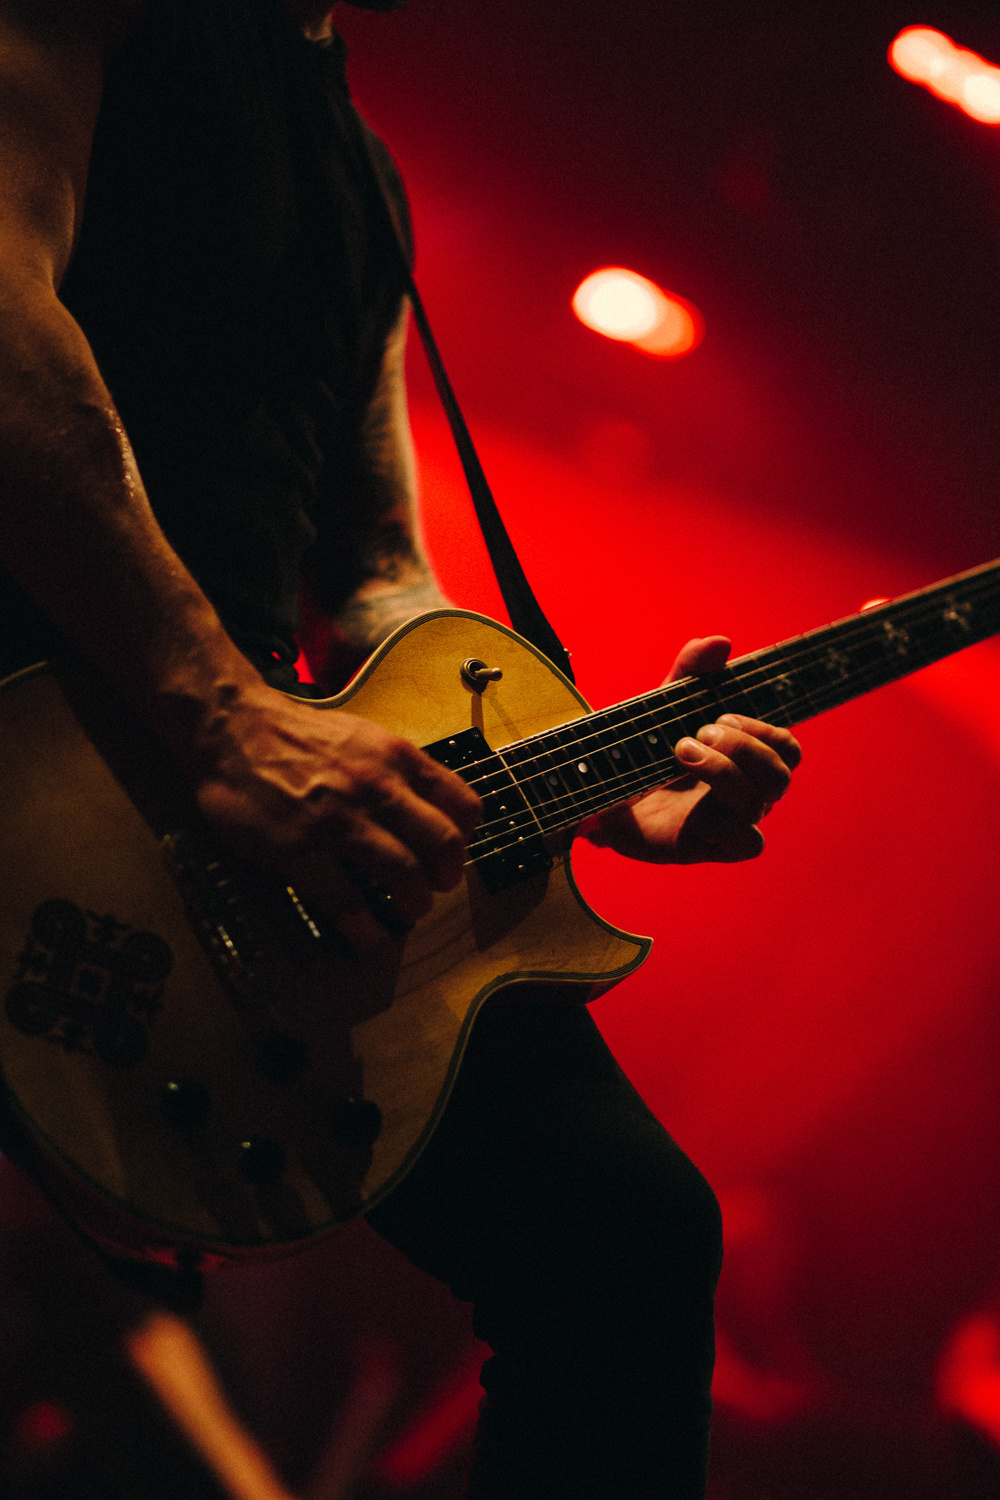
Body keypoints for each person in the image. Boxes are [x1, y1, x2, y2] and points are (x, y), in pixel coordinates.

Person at [0, 1, 802, 1495]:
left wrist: (594, 782)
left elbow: (375, 577)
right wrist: (220, 713)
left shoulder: (358, 162)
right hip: (57, 729)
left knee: (623, 1235)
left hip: (227, 802)